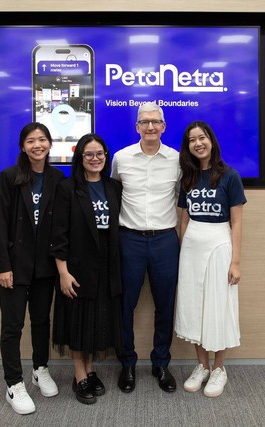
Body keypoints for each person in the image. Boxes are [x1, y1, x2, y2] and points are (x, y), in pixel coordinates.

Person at [0, 122, 64, 415]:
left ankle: (40, 368)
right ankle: (13, 384)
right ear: (23, 146)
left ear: (49, 144)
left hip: (45, 265)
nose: (37, 145)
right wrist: (2, 266)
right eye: (31, 140)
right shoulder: (10, 177)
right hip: (14, 267)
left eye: (42, 139)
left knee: (41, 321)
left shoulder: (58, 178)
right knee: (12, 326)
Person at [111, 101, 181, 393]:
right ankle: (127, 363)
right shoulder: (120, 158)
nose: (150, 127)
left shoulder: (178, 160)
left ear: (164, 127)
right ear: (137, 127)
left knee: (165, 305)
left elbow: (181, 199)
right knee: (125, 304)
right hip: (129, 240)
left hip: (165, 240)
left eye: (155, 122)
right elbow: (113, 193)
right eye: (144, 122)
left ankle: (160, 362)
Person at [50, 133, 124, 405]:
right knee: (78, 321)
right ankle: (79, 373)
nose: (95, 159)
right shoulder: (67, 188)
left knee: (97, 321)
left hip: (106, 264)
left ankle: (90, 370)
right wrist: (63, 271)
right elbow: (59, 233)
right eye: (89, 155)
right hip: (78, 265)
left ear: (106, 156)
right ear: (80, 158)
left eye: (100, 154)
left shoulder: (113, 186)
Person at [175, 120, 246, 398]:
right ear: (188, 147)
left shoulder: (230, 176)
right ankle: (202, 366)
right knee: (194, 307)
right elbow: (184, 218)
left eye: (202, 137)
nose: (198, 143)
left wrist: (236, 261)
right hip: (191, 247)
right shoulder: (188, 178)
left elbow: (237, 223)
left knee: (218, 306)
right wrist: (184, 250)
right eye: (192, 140)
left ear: (211, 141)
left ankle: (219, 369)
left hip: (219, 245)